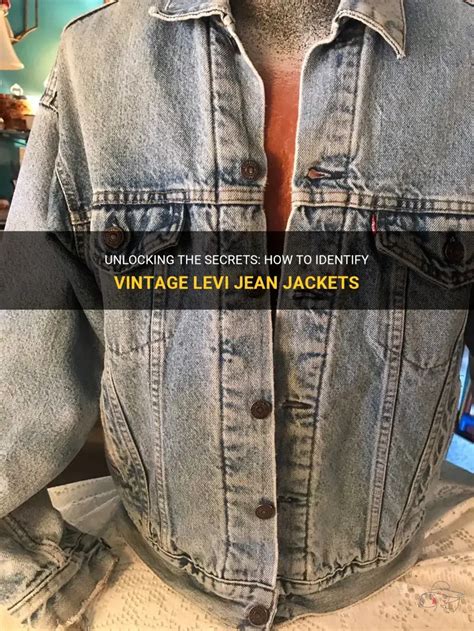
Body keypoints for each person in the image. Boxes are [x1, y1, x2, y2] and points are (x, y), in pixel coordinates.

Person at [0, 0, 472, 629]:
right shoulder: (95, 63)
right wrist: (34, 569)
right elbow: (22, 357)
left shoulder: (466, 61)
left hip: (393, 582)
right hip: (148, 577)